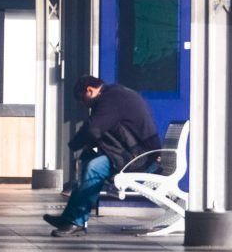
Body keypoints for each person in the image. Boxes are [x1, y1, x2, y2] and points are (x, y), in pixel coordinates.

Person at [44, 75, 161, 237]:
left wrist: (74, 145)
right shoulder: (114, 94)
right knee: (89, 165)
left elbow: (93, 128)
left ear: (89, 91)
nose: (85, 105)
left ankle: (76, 222)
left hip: (137, 156)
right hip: (133, 152)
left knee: (93, 168)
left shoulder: (111, 99)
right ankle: (69, 217)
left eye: (83, 101)